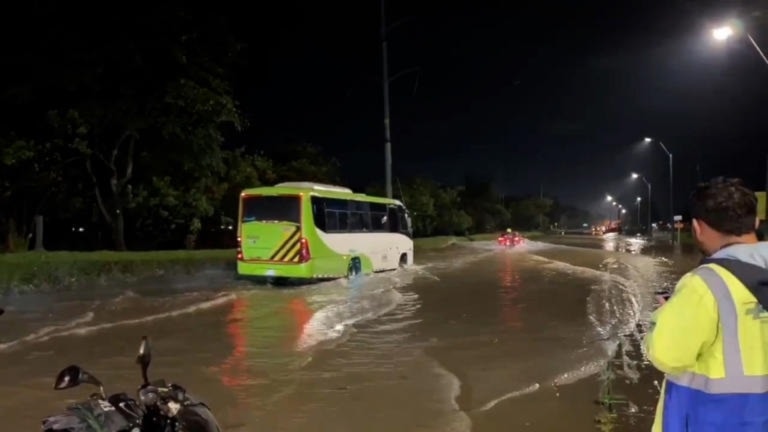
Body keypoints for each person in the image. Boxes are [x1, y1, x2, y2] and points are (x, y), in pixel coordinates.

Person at [644, 177, 768, 431]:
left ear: (698, 228)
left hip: (719, 419)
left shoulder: (705, 284)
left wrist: (664, 315)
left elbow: (666, 355)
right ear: (755, 223)